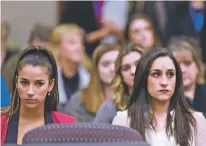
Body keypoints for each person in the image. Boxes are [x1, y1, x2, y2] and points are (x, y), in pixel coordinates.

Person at [112, 48, 206, 146]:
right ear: (143, 78)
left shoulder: (196, 121)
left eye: (170, 74)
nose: (164, 82)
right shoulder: (124, 120)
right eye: (156, 74)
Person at [1, 46, 76, 145]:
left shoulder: (67, 125)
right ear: (16, 82)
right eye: (24, 82)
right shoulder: (1, 123)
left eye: (39, 84)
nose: (30, 92)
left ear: (50, 85)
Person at [63, 44, 120, 122]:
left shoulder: (134, 98)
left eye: (117, 64)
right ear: (96, 69)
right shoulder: (79, 99)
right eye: (106, 64)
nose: (112, 69)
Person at [93, 43, 143, 124]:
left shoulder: (164, 100)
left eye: (138, 64)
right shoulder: (110, 108)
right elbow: (94, 136)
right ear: (121, 75)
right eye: (126, 68)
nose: (133, 71)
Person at [49, 24, 91, 112]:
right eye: (72, 42)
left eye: (81, 43)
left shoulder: (90, 76)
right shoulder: (47, 77)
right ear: (58, 47)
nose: (79, 47)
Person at [167, 36, 206, 114]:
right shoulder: (165, 101)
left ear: (198, 66)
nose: (182, 70)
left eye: (187, 63)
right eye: (176, 65)